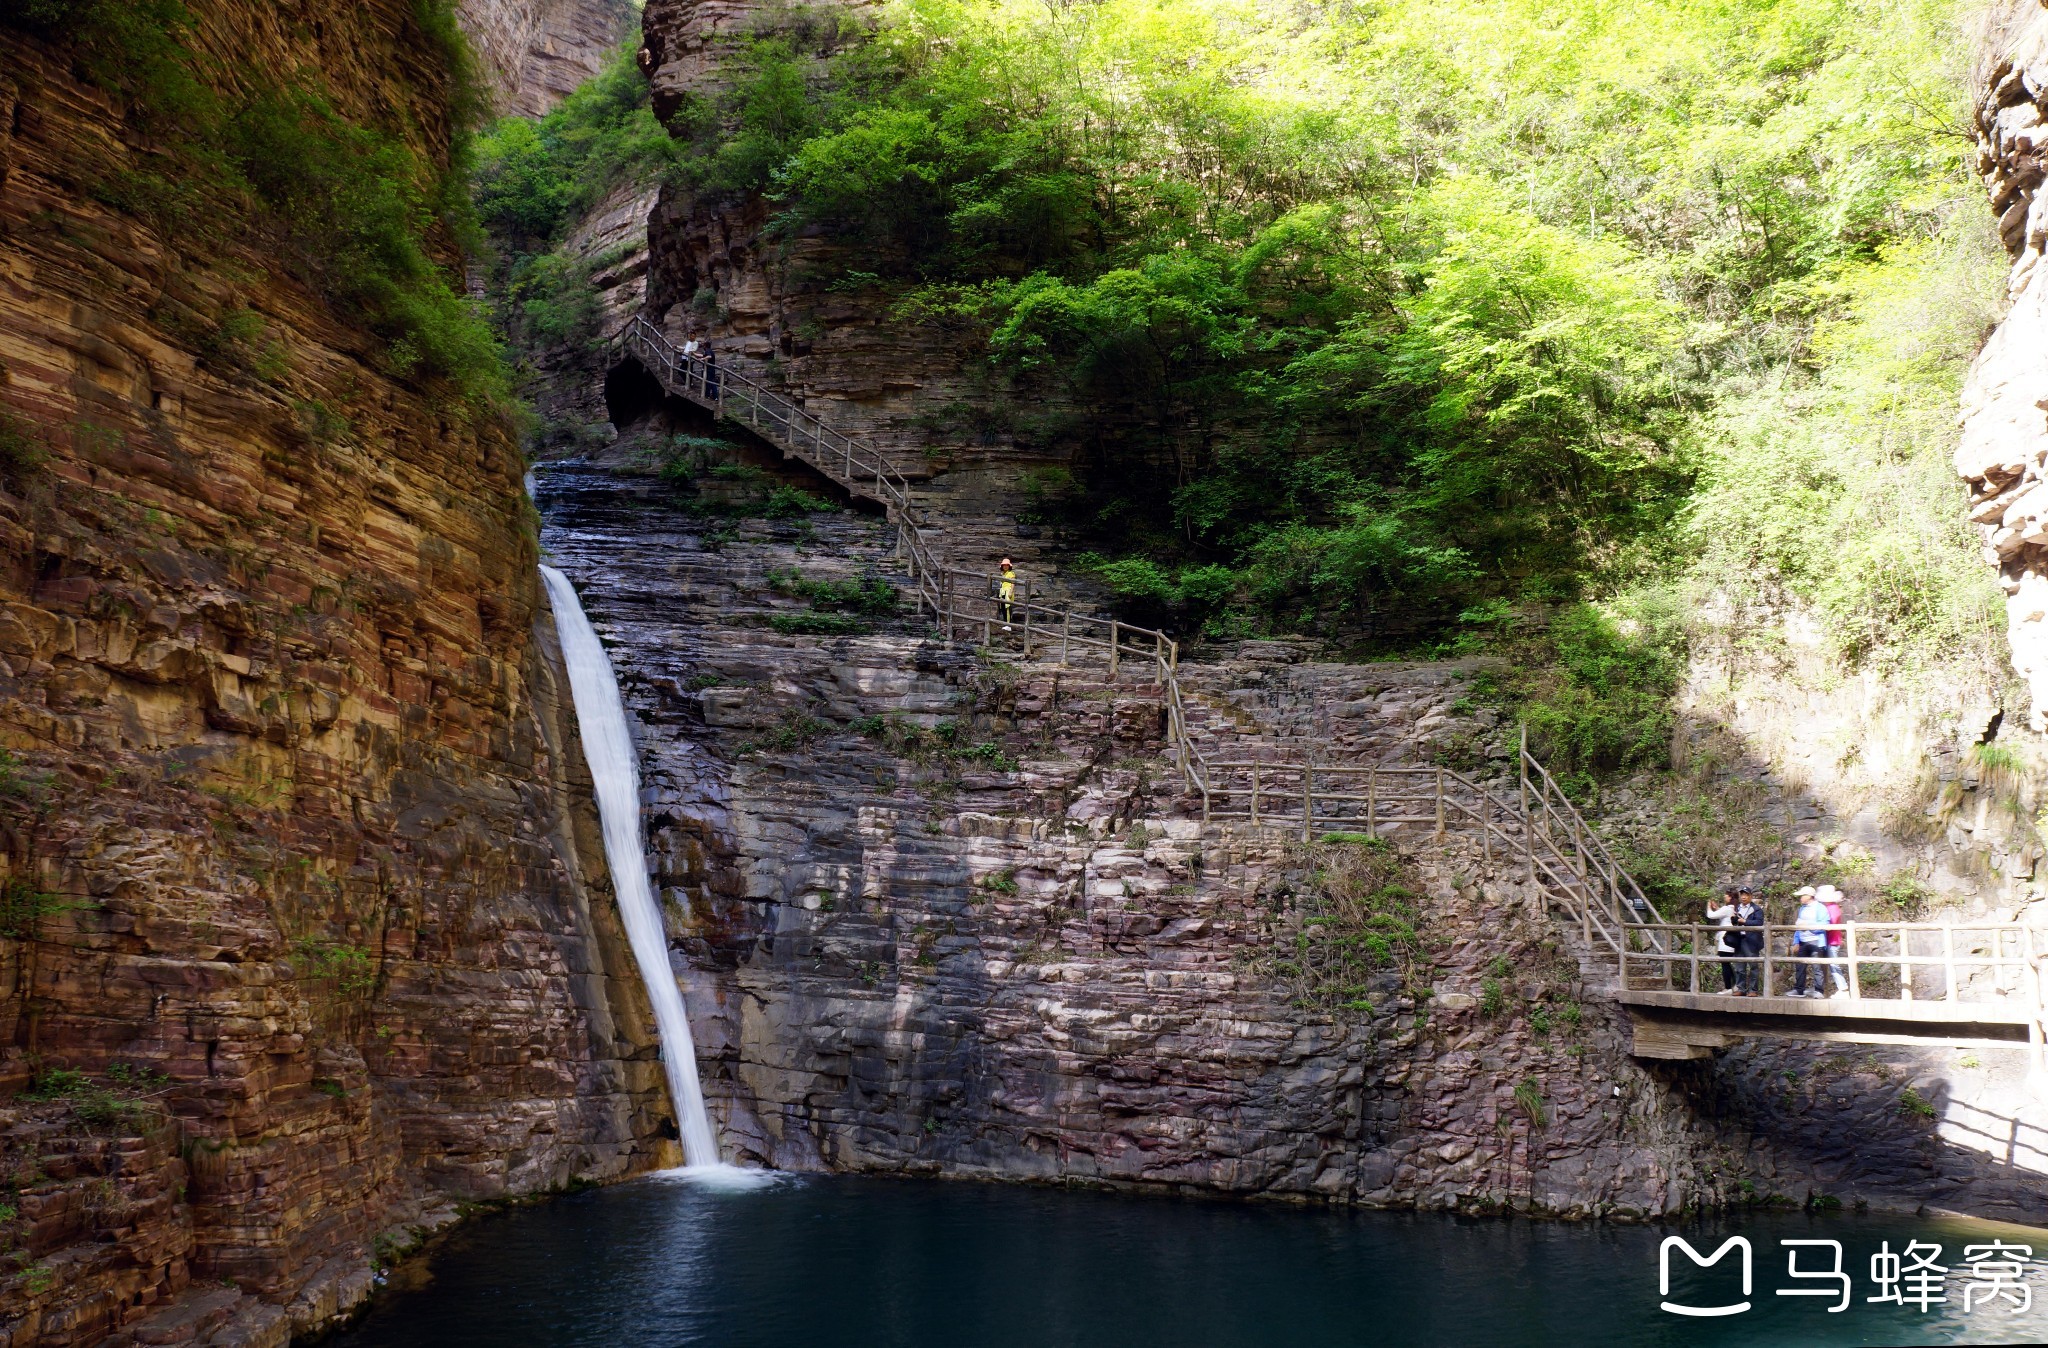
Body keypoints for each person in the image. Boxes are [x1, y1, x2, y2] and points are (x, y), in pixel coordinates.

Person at [1790, 885, 1831, 997]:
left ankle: (1819, 991)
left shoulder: (1820, 908)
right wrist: (1796, 941)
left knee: (1817, 966)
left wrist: (1809, 926)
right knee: (1800, 966)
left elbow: (1825, 924)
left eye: (1802, 896)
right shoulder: (1802, 908)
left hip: (1815, 940)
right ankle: (1799, 989)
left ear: (1809, 896)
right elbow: (1798, 926)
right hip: (1803, 941)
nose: (1800, 898)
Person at [1705, 888, 1740, 994]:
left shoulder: (1727, 908)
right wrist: (1717, 908)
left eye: (1726, 895)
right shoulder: (1733, 908)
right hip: (1730, 938)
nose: (1724, 897)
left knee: (1725, 963)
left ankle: (1728, 987)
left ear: (1730, 897)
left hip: (1726, 939)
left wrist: (1708, 906)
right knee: (1727, 963)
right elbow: (1725, 918)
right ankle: (1735, 986)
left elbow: (1710, 915)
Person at [1818, 884, 1849, 998]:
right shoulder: (1832, 908)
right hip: (1831, 939)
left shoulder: (1832, 909)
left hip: (1833, 940)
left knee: (1834, 964)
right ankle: (1823, 988)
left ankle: (1843, 988)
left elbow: (1830, 923)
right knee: (1829, 964)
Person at [1734, 890, 1765, 995]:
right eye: (1742, 895)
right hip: (1739, 939)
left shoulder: (1756, 909)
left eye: (1746, 895)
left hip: (1751, 941)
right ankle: (1740, 988)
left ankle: (1753, 990)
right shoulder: (1737, 908)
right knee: (1739, 966)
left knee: (1753, 965)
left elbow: (1759, 922)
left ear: (1750, 896)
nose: (1743, 897)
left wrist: (1745, 922)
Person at [997, 557, 1016, 631]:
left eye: (1007, 565)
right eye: (1004, 565)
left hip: (1008, 591)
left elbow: (1013, 583)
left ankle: (1009, 624)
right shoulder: (1003, 574)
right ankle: (1005, 623)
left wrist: (1011, 591)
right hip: (1002, 592)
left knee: (1008, 608)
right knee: (1003, 608)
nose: (1005, 566)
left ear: (1009, 566)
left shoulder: (1011, 573)